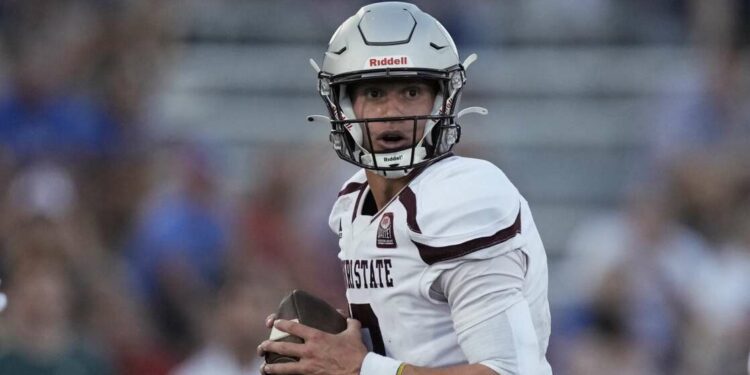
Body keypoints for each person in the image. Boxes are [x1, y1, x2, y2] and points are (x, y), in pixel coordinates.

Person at [258, 2, 552, 375]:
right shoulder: (353, 201)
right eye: (375, 93)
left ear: (442, 100)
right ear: (344, 106)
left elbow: (512, 372)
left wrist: (361, 367)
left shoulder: (466, 197)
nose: (393, 111)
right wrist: (332, 352)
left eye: (411, 92)